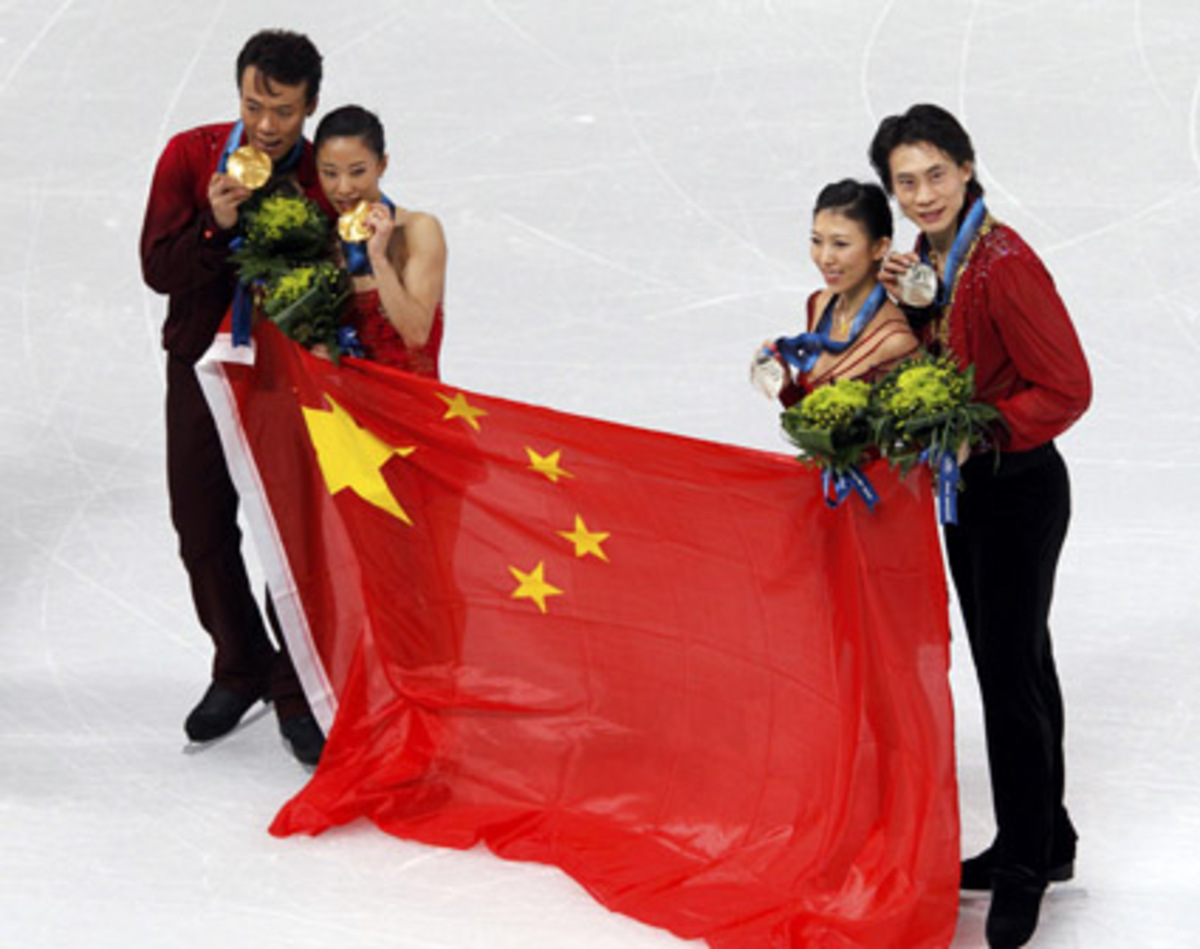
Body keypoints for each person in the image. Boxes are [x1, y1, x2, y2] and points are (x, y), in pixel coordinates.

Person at [869, 104, 1092, 948]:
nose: (922, 194)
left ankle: (1025, 866)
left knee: (1007, 675)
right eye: (905, 182)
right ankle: (1046, 836)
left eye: (935, 174)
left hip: (1019, 489)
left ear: (966, 168)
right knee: (1022, 659)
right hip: (974, 493)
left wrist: (978, 429)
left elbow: (1068, 387)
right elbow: (952, 350)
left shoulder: (1004, 261)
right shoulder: (933, 257)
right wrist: (915, 313)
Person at [140, 29, 332, 766]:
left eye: (282, 109)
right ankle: (239, 664)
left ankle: (293, 684)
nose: (266, 124)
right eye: (254, 104)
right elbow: (157, 268)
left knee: (294, 537)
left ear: (309, 107)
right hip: (199, 366)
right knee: (200, 525)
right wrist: (216, 228)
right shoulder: (192, 156)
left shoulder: (325, 174)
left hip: (288, 383)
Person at [757, 178, 917, 404]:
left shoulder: (894, 341)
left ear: (879, 247)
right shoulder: (818, 303)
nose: (825, 258)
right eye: (817, 241)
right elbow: (810, 421)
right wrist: (786, 387)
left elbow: (911, 436)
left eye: (840, 244)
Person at [313, 105, 447, 376]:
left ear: (381, 165)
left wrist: (378, 258)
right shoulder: (320, 241)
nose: (344, 188)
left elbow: (416, 334)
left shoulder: (419, 229)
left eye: (357, 171)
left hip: (413, 410)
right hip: (345, 411)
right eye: (330, 173)